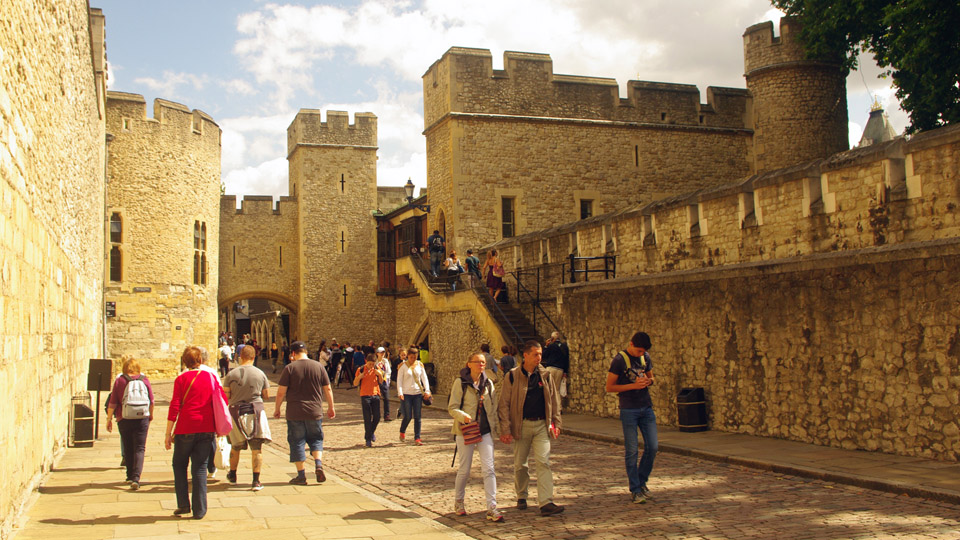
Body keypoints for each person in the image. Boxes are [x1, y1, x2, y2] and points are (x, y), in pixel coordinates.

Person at [498, 340, 564, 516]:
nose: (539, 357)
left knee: (544, 462)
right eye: (535, 354)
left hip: (542, 424)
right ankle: (522, 495)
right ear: (525, 355)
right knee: (521, 465)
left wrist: (556, 423)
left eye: (541, 354)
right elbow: (504, 403)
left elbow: (554, 399)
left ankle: (546, 502)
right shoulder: (512, 376)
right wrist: (505, 429)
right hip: (522, 425)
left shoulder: (546, 375)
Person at [165, 346, 220, 519]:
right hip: (206, 428)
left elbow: (174, 406)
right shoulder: (211, 377)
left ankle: (183, 505)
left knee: (179, 465)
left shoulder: (181, 379)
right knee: (200, 468)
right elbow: (220, 401)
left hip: (185, 428)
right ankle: (200, 510)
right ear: (201, 361)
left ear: (185, 362)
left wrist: (168, 433)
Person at [448, 353, 503, 522]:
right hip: (466, 430)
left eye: (483, 363)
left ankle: (492, 507)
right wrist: (463, 416)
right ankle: (459, 501)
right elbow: (452, 407)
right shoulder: (460, 383)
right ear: (469, 364)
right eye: (477, 362)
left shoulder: (489, 383)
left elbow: (493, 409)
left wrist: (497, 431)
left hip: (485, 431)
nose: (481, 365)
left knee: (489, 468)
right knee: (465, 469)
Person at [605, 331, 657, 504]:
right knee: (632, 450)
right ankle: (635, 489)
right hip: (629, 409)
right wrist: (633, 385)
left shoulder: (645, 358)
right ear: (631, 345)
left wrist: (648, 381)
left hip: (646, 407)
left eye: (643, 352)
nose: (641, 354)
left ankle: (642, 482)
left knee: (653, 447)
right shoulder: (620, 360)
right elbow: (610, 387)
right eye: (639, 351)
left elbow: (652, 377)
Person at [274, 341, 336, 484]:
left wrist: (277, 408)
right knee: (316, 439)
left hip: (295, 411)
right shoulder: (319, 367)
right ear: (306, 352)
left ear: (293, 354)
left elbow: (280, 392)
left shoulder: (289, 368)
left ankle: (301, 476)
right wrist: (331, 407)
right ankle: (318, 464)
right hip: (314, 411)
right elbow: (327, 389)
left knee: (297, 441)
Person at [223, 344, 271, 491]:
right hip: (255, 411)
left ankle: (233, 475)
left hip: (236, 412)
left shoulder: (231, 374)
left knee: (235, 447)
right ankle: (256, 481)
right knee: (257, 448)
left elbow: (226, 395)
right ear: (253, 357)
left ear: (240, 357)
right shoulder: (260, 373)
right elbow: (267, 395)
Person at [106, 356, 154, 490]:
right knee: (139, 448)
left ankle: (129, 475)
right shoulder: (144, 380)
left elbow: (113, 402)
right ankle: (136, 478)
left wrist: (109, 419)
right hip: (141, 417)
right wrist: (150, 415)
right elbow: (151, 400)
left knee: (127, 446)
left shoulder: (120, 381)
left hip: (124, 418)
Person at [396, 347, 432, 444]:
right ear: (408, 356)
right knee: (407, 416)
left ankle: (417, 438)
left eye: (415, 357)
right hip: (406, 394)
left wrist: (427, 390)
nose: (413, 359)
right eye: (411, 357)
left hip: (417, 394)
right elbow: (399, 380)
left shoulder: (420, 365)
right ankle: (402, 431)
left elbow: (424, 378)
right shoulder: (403, 366)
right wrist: (400, 392)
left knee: (418, 416)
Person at [354, 353, 384, 447]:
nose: (371, 366)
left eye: (373, 364)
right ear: (366, 362)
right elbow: (355, 383)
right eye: (370, 364)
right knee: (367, 418)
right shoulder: (361, 369)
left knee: (377, 417)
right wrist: (359, 377)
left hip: (375, 395)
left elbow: (381, 381)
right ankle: (368, 439)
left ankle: (370, 433)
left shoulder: (377, 369)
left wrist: (380, 375)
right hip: (365, 395)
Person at [541, 332, 570, 410]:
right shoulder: (564, 346)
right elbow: (566, 360)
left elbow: (543, 355)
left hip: (551, 368)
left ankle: (549, 407)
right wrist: (565, 372)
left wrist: (546, 346)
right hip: (560, 369)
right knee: (556, 389)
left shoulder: (551, 346)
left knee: (548, 388)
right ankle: (558, 408)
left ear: (552, 338)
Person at [376, 346, 392, 421]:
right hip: (376, 382)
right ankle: (376, 415)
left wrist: (386, 378)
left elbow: (388, 371)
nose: (382, 354)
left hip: (384, 381)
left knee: (386, 398)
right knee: (376, 399)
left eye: (383, 352)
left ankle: (387, 415)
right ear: (377, 353)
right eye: (380, 352)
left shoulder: (385, 361)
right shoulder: (375, 362)